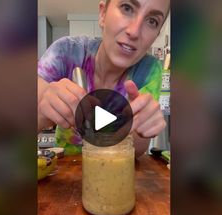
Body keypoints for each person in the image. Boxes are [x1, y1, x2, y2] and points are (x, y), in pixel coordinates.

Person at [38, 0, 170, 157]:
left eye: (152, 21)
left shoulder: (148, 70)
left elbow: (136, 150)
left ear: (156, 35)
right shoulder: (65, 52)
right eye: (127, 8)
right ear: (102, 14)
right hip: (64, 171)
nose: (134, 32)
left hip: (115, 171)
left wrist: (144, 130)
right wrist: (42, 112)